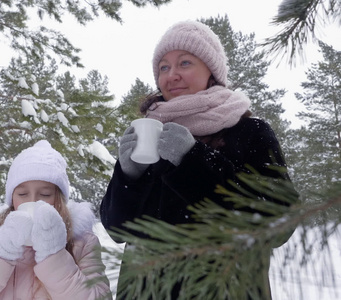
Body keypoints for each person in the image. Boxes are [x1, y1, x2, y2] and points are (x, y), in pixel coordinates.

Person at [100, 20, 297, 299]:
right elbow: (118, 230)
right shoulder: (150, 133)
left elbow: (278, 223)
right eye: (164, 67)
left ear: (211, 71)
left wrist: (192, 159)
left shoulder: (249, 132)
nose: (172, 75)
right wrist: (127, 175)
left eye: (184, 63)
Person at [0, 140, 111, 299]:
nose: (32, 201)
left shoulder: (82, 242)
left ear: (59, 199)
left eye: (45, 194)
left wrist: (54, 255)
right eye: (22, 194)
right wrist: (0, 254)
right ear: (11, 198)